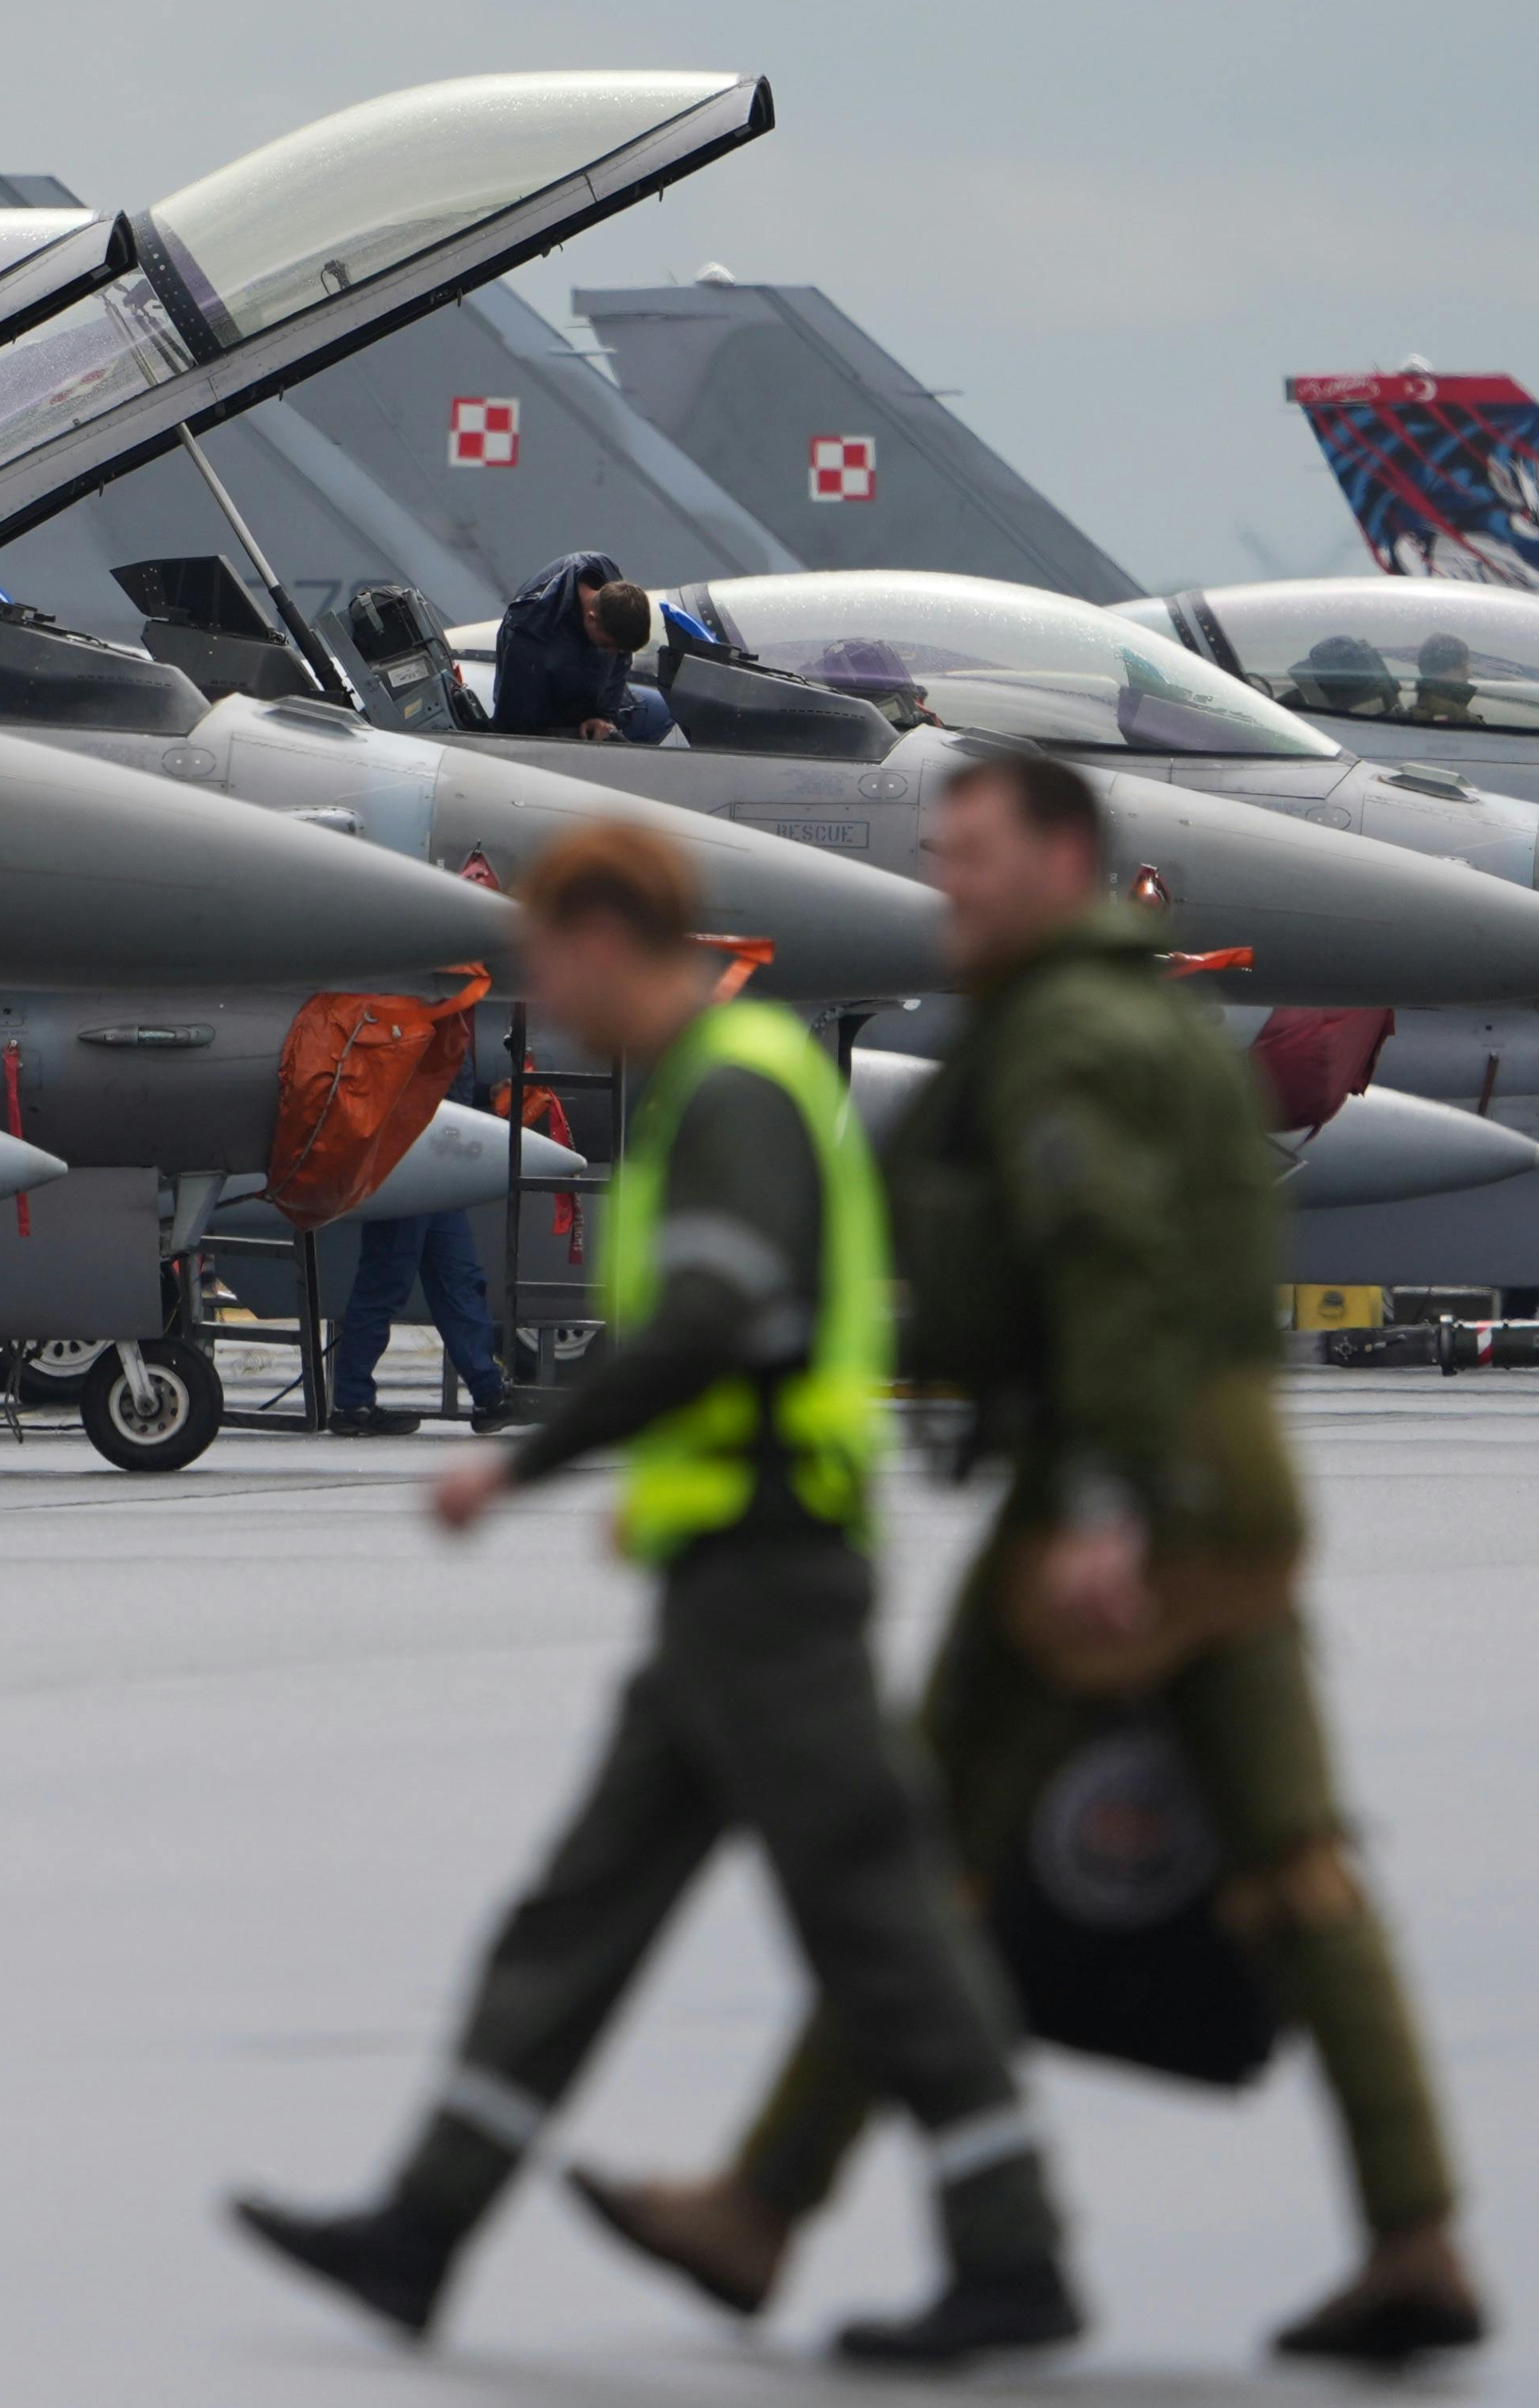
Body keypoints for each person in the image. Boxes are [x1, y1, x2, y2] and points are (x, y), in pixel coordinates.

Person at [564, 748, 1489, 2369]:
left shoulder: (1061, 1036)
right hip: (1229, 1482)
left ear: (1062, 861)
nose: (948, 882)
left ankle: (783, 2208)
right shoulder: (1153, 1023)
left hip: (1113, 1484)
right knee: (1289, 1864)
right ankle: (1414, 2238)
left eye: (975, 854)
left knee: (927, 1854)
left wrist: (1104, 1504)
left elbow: (1106, 1260)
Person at [229, 820, 1083, 2370]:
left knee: (874, 1921)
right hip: (725, 1575)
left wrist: (525, 1466)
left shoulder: (730, 1095)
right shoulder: (718, 1088)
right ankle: (420, 2228)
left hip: (771, 1585)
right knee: (582, 1910)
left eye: (550, 958)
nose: (540, 995)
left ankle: (1013, 2254)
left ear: (614, 942)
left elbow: (715, 1317)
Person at [325, 1210, 508, 1435]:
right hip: (404, 1186)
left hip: (439, 1186)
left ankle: (489, 1396)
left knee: (461, 1283)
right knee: (386, 1283)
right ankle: (352, 1403)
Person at [491, 551, 676, 743]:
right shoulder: (533, 633)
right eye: (607, 645)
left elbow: (619, 663)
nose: (613, 653)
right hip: (545, 719)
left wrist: (603, 716)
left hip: (595, 699)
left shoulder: (606, 573)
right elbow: (515, 725)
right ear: (591, 619)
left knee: (667, 714)